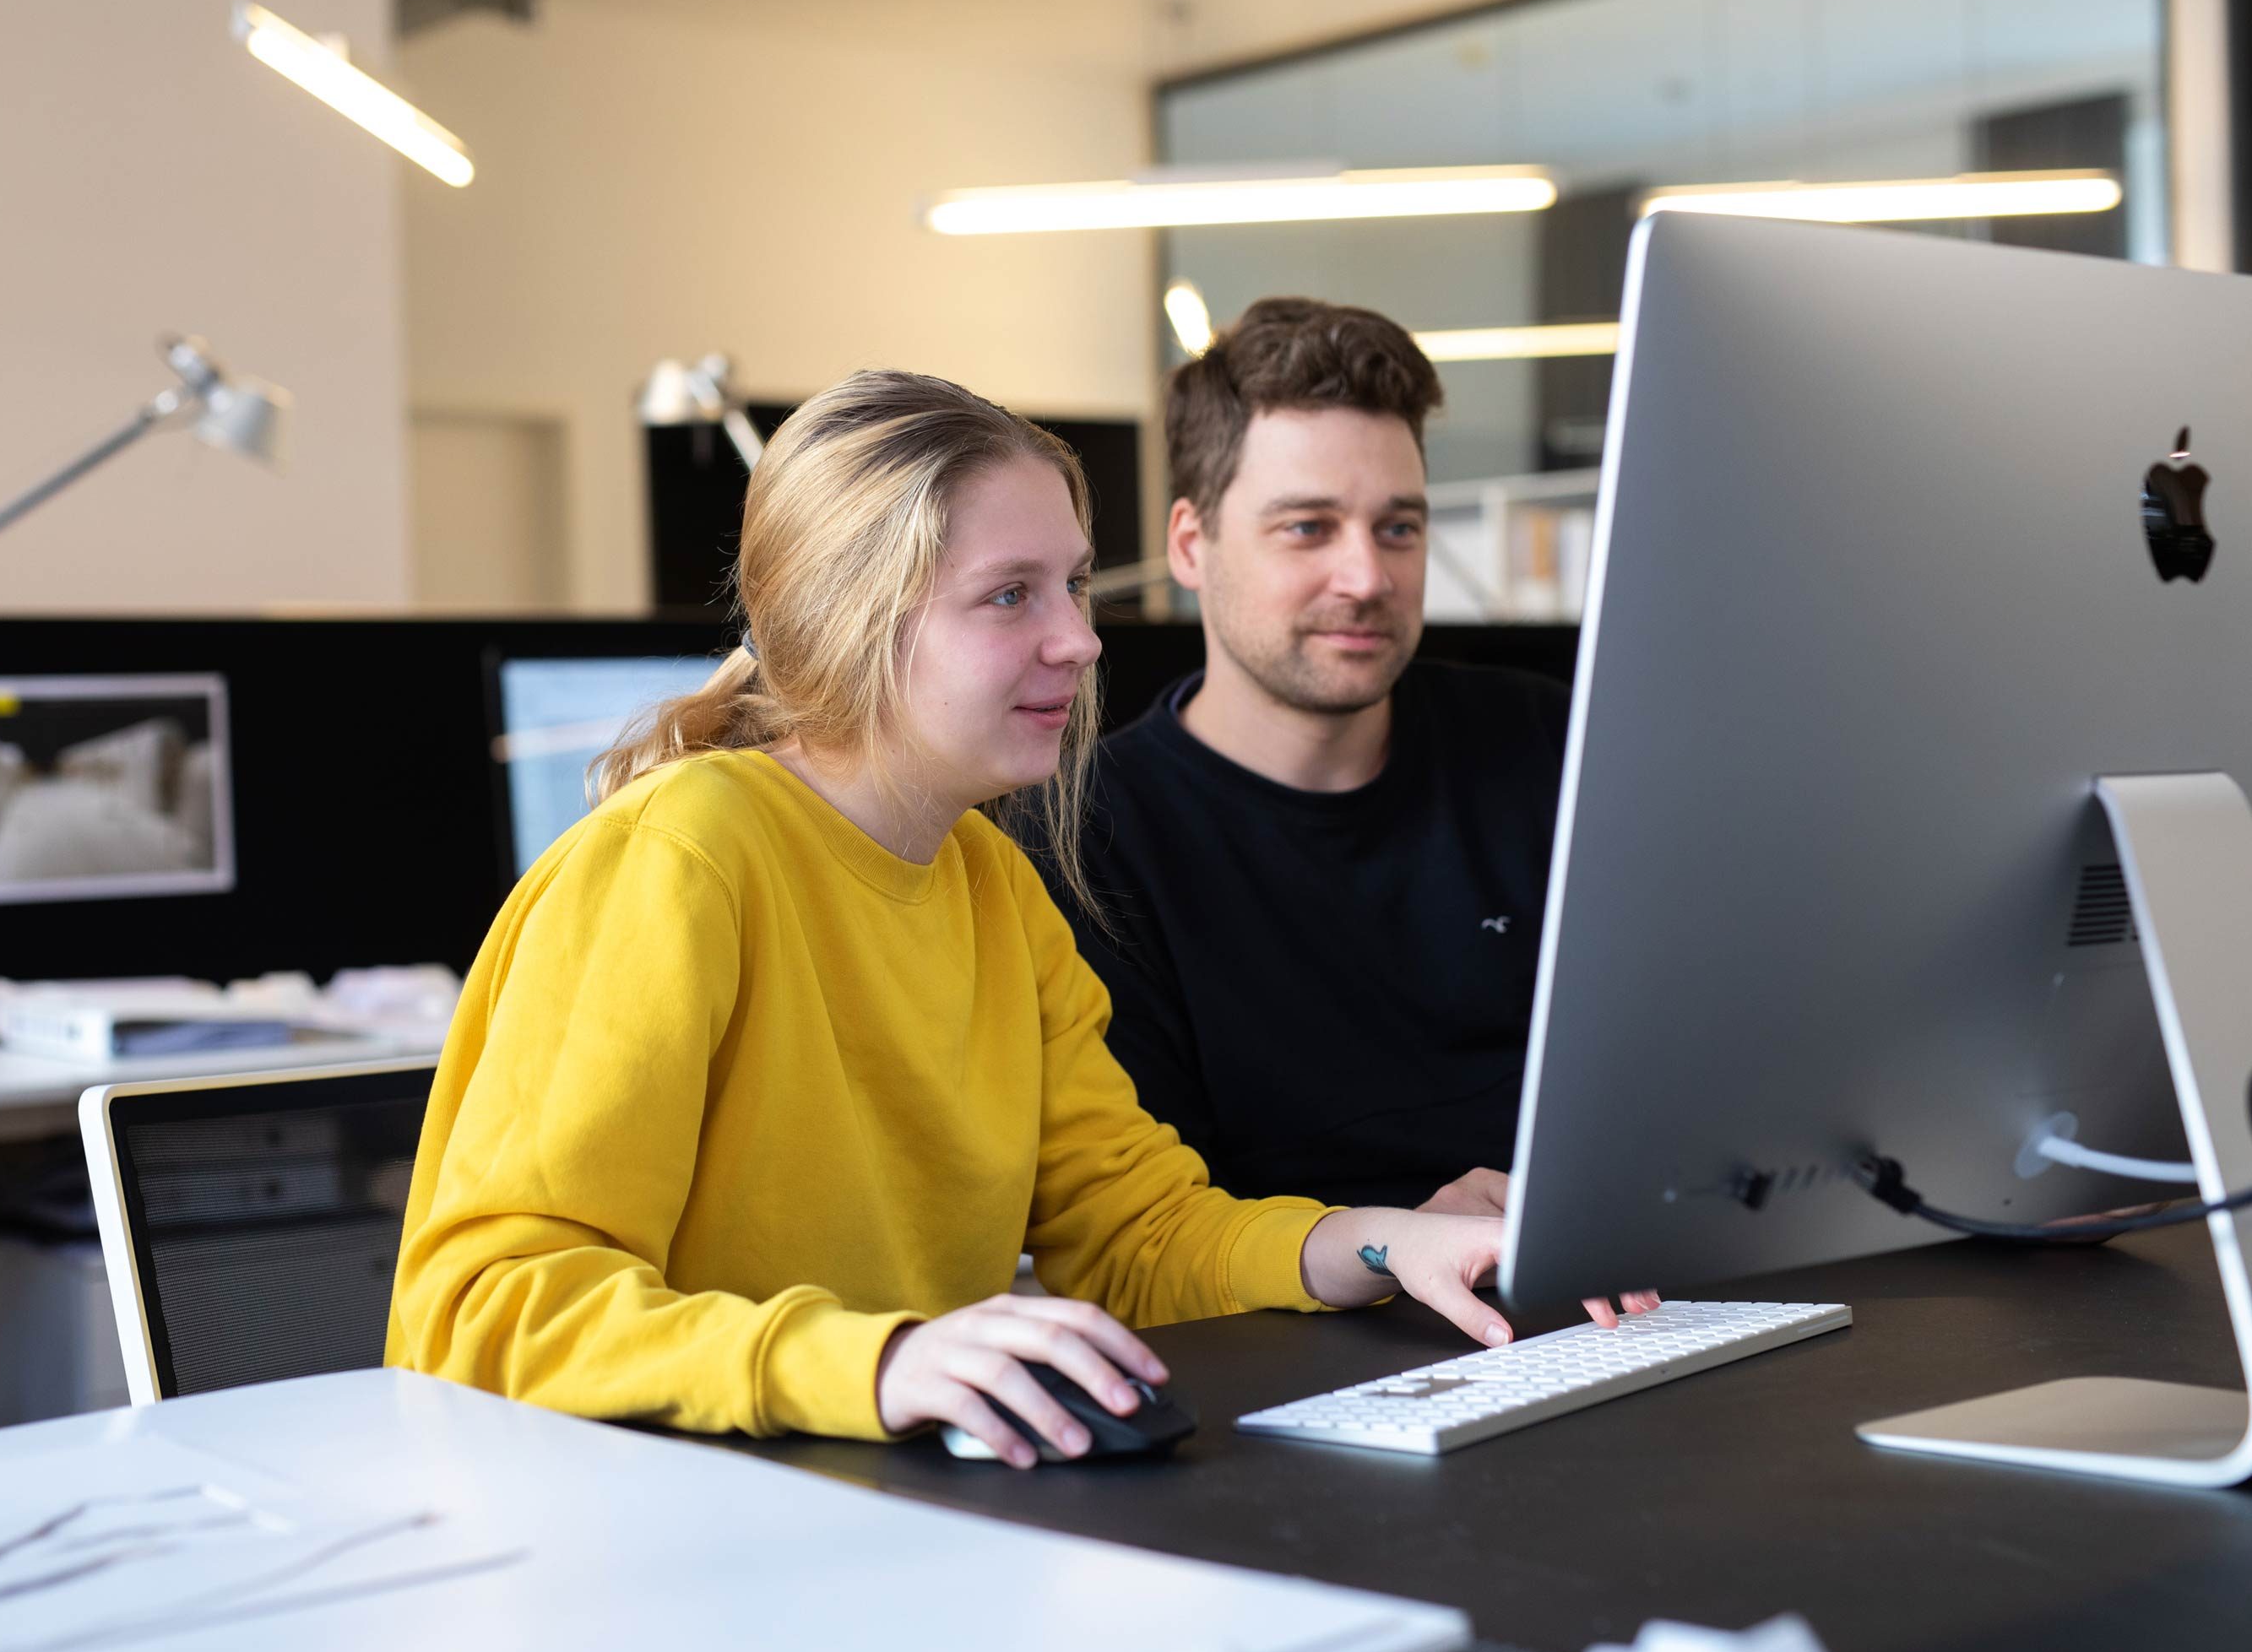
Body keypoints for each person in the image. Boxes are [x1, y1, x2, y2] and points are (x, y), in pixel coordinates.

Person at [388, 370, 1652, 1471]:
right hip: (661, 1528)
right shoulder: (683, 859)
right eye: (1009, 597)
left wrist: (1390, 1243)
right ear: (854, 618)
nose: (1079, 642)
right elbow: (483, 1308)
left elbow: (1138, 1231)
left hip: (875, 1497)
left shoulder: (993, 881)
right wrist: (875, 1366)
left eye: (1073, 587)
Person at [1035, 297, 1568, 1214]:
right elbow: (1150, 1237)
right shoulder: (1086, 844)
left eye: (1398, 527)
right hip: (1299, 1338)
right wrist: (1391, 1243)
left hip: (1615, 1297)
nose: (1367, 577)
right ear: (1192, 545)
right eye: (1308, 528)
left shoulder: (1547, 748)